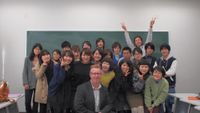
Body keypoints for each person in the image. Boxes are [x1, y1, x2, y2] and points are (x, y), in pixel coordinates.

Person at [154, 43, 177, 113]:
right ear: (160, 51)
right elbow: (154, 70)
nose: (164, 51)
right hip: (159, 87)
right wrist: (161, 74)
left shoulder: (173, 60)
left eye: (165, 49)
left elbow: (172, 72)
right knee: (160, 106)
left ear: (168, 50)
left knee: (168, 106)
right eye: (162, 49)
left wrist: (160, 74)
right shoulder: (158, 60)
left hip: (170, 87)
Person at [22, 43, 42, 113]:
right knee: (27, 102)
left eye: (39, 49)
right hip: (29, 83)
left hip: (38, 83)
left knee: (36, 102)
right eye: (36, 49)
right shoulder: (27, 59)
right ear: (33, 49)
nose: (37, 50)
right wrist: (25, 83)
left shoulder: (41, 59)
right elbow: (25, 71)